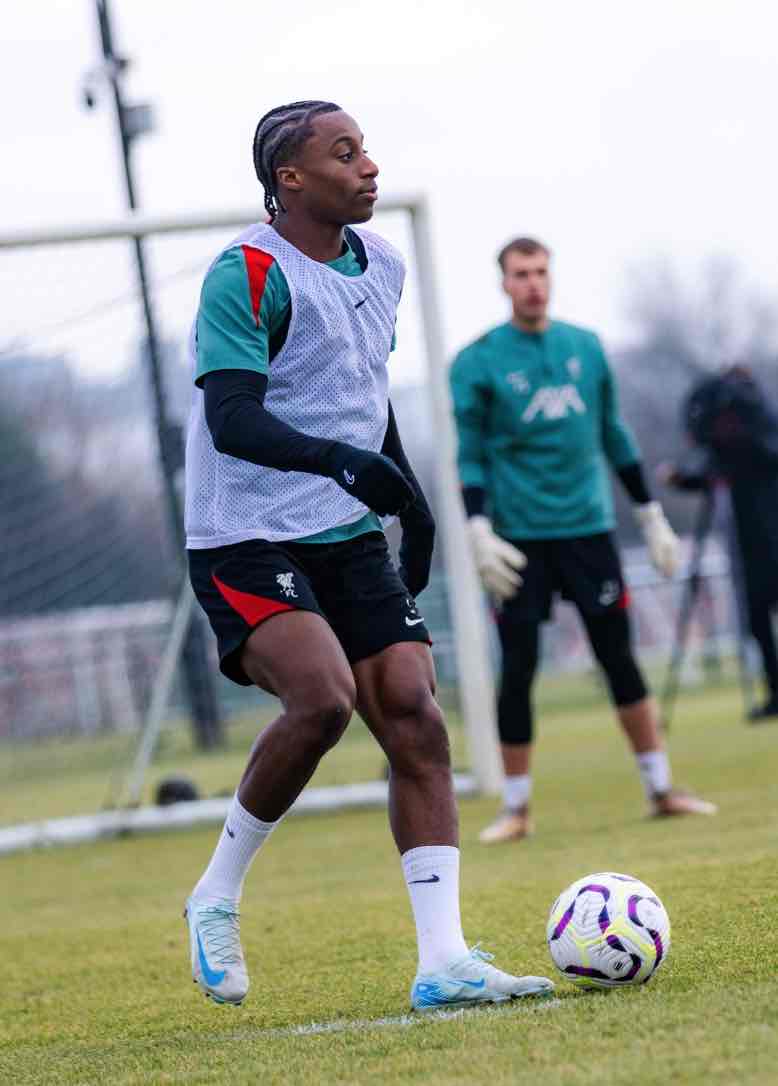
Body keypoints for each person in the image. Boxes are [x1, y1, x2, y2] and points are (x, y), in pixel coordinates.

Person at [182, 102, 554, 1009]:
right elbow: (231, 417)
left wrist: (408, 496)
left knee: (415, 716)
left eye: (366, 150)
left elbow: (360, 390)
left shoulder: (378, 264)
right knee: (324, 700)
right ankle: (214, 895)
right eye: (344, 154)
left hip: (344, 528)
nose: (369, 167)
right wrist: (341, 462)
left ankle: (445, 961)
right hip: (246, 529)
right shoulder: (248, 272)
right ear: (291, 180)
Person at [450, 236, 717, 845]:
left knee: (617, 657)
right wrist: (477, 526)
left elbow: (615, 436)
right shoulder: (477, 361)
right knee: (518, 667)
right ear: (503, 283)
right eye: (521, 274)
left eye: (541, 271)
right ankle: (516, 809)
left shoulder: (586, 348)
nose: (533, 283)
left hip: (588, 531)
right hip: (518, 540)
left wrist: (650, 514)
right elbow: (469, 457)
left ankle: (661, 787)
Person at [662, 366, 778, 721]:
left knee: (759, 618)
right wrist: (680, 478)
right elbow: (710, 478)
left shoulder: (764, 439)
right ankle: (775, 691)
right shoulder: (728, 456)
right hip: (746, 549)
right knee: (757, 620)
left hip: (767, 540)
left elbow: (760, 457)